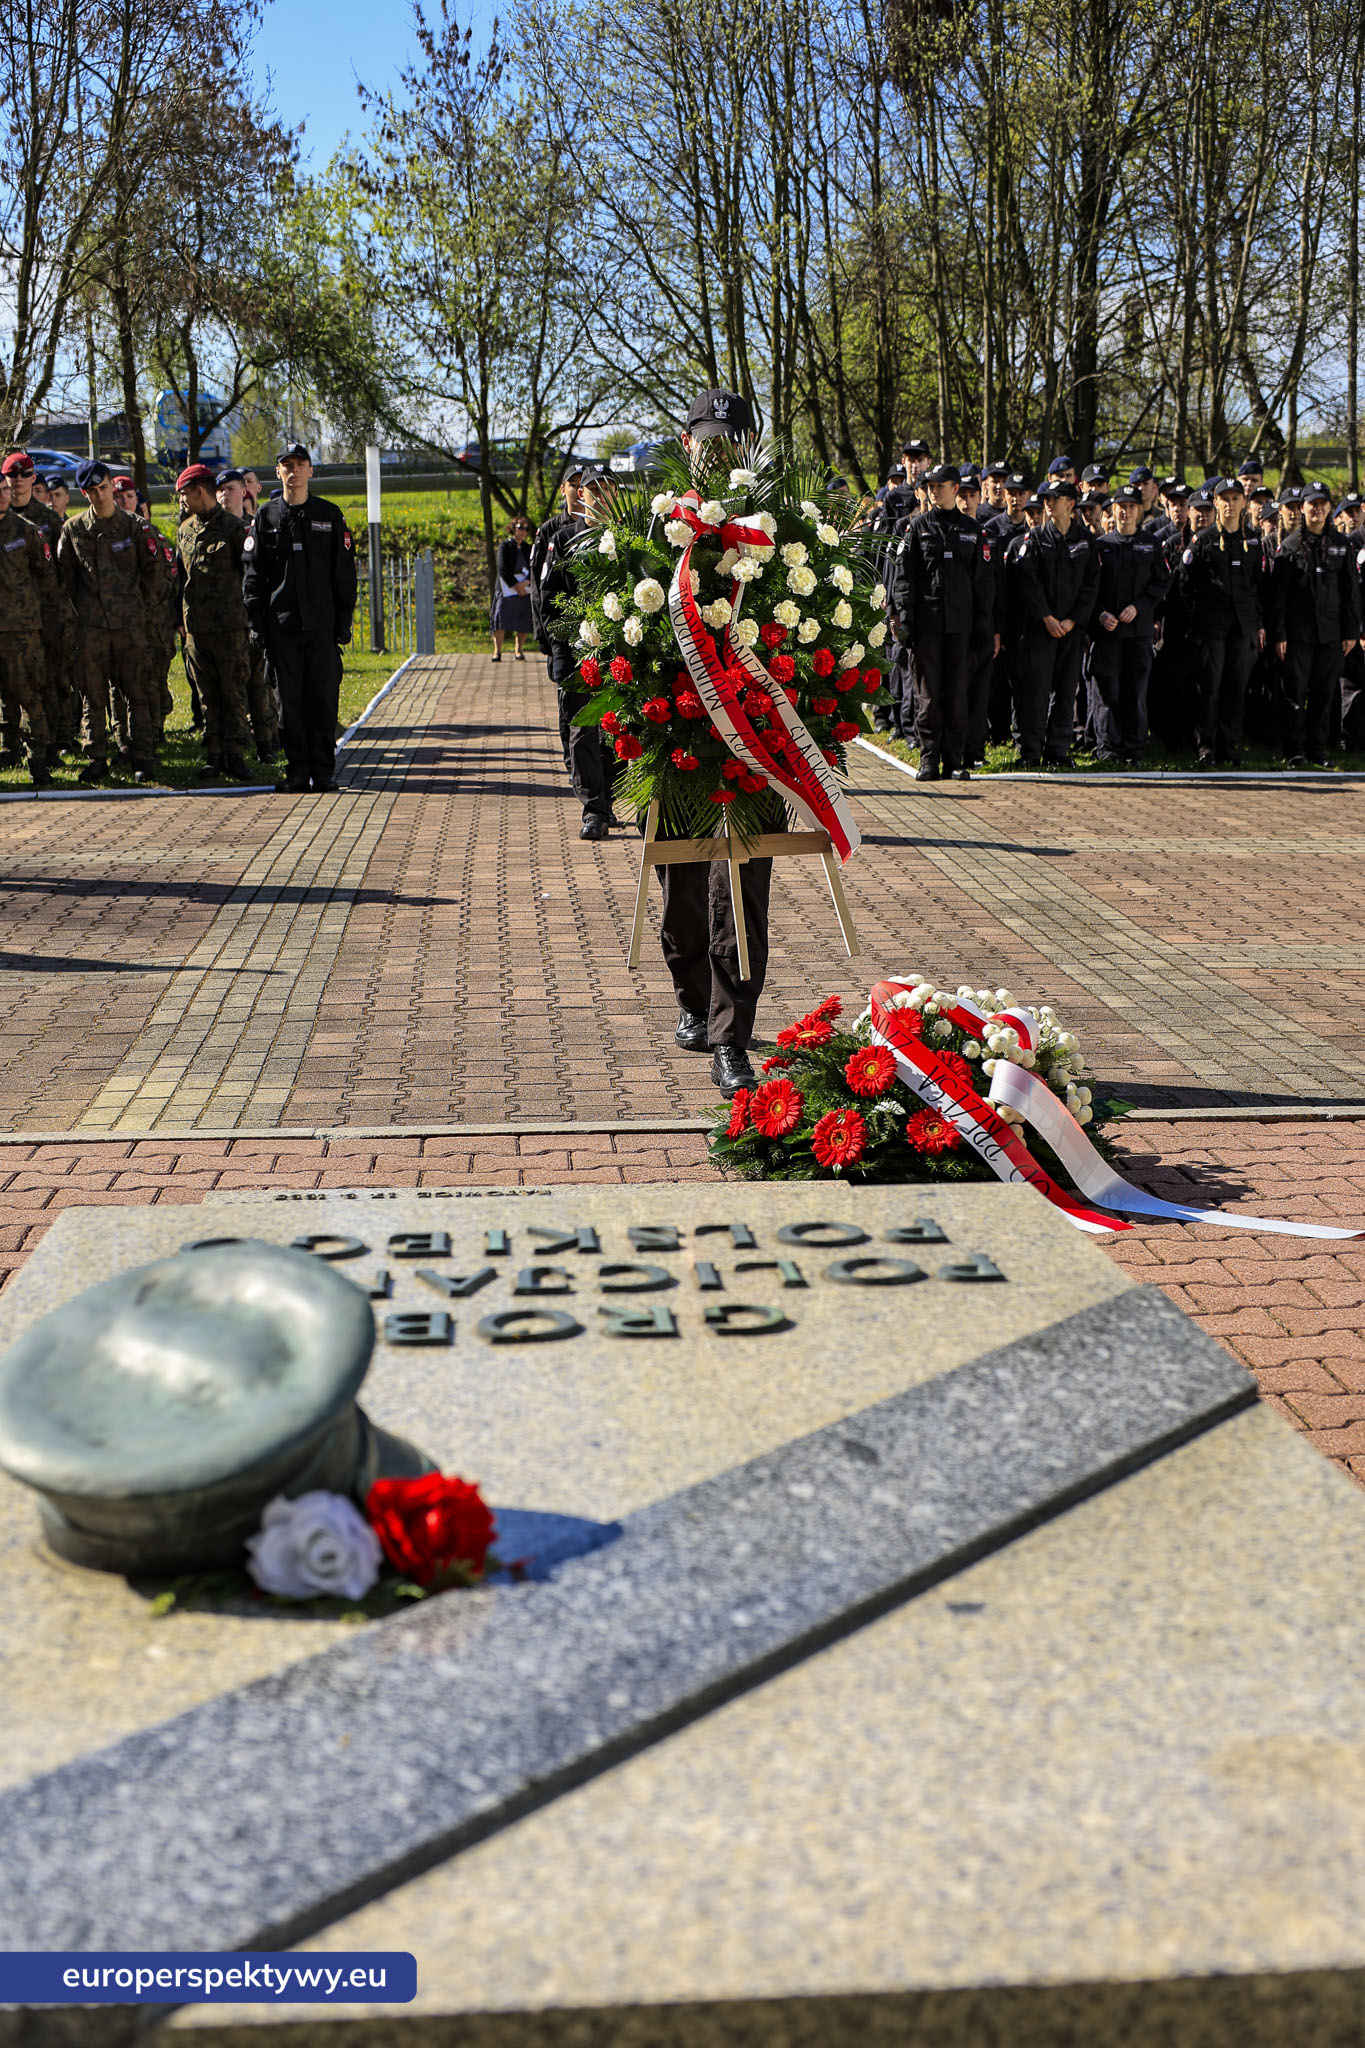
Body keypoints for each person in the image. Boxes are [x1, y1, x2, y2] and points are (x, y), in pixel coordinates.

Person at [242, 443, 356, 794]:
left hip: (321, 627)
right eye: (286, 465)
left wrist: (343, 621)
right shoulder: (266, 517)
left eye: (300, 464)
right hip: (282, 629)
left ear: (310, 471)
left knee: (323, 700)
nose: (294, 471)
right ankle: (297, 771)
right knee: (288, 705)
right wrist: (257, 625)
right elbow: (253, 576)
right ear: (278, 472)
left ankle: (323, 771)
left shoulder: (330, 515)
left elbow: (344, 574)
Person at [56, 459, 162, 782]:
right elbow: (65, 579)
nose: (100, 496)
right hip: (92, 628)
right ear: (85, 493)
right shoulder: (73, 529)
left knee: (136, 691)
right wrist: (79, 616)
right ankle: (97, 757)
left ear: (111, 487)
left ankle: (140, 754)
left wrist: (140, 608)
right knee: (93, 694)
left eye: (104, 488)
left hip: (129, 624)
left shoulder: (133, 526)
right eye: (93, 491)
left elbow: (153, 572)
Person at [889, 463, 996, 780]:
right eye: (930, 486)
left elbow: (983, 585)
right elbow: (904, 578)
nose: (934, 491)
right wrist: (905, 621)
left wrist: (983, 629)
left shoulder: (972, 530)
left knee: (957, 696)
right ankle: (929, 759)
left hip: (961, 628)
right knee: (928, 697)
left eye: (940, 486)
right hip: (927, 628)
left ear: (954, 489)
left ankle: (954, 760)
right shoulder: (918, 528)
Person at [531, 458, 618, 840]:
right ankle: (594, 810)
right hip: (578, 653)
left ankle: (609, 799)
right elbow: (548, 599)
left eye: (606, 490)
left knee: (616, 731)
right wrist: (560, 653)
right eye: (593, 490)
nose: (600, 497)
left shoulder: (627, 535)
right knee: (583, 732)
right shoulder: (563, 539)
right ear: (581, 495)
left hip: (620, 654)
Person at [1267, 480, 1360, 766]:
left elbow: (1350, 591)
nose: (1317, 508)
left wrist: (1350, 631)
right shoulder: (1290, 547)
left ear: (1330, 507)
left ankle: (1317, 750)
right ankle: (1294, 750)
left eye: (1322, 503)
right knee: (1295, 693)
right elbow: (1278, 597)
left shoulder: (1342, 546)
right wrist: (1279, 634)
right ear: (1303, 508)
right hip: (1298, 635)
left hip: (1331, 634)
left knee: (1323, 693)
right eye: (1312, 504)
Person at [1011, 478, 1099, 766]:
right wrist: (1047, 618)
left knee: (1065, 692)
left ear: (1071, 504)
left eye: (1056, 498)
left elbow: (1091, 585)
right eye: (1046, 498)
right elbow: (1028, 583)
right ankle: (1031, 752)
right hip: (1041, 629)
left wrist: (1073, 620)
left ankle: (1058, 752)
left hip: (1071, 632)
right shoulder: (1035, 539)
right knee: (1036, 693)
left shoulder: (1085, 540)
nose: (1048, 504)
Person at [175, 462, 255, 781]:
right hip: (197, 629)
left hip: (230, 627)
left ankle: (236, 754)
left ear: (200, 491)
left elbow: (249, 574)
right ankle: (214, 754)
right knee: (206, 695)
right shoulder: (185, 530)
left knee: (232, 692)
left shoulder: (234, 529)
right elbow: (181, 578)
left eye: (185, 494)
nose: (182, 501)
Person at [1178, 475, 1264, 765]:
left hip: (1242, 627)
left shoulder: (1252, 540)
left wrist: (1258, 623)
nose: (1229, 504)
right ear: (1216, 503)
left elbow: (1258, 585)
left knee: (1236, 687)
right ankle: (1207, 746)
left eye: (1235, 498)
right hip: (1211, 628)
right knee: (1210, 687)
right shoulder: (1203, 541)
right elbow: (1184, 584)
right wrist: (1199, 618)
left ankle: (1229, 745)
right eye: (1224, 499)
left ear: (1244, 502)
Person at [1089, 483, 1171, 763]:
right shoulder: (1101, 547)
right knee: (1107, 692)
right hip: (1108, 634)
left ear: (1139, 511)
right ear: (1113, 511)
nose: (1125, 512)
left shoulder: (1150, 544)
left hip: (1138, 633)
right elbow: (1090, 589)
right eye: (1121, 507)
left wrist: (1140, 607)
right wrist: (1100, 613)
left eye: (1131, 507)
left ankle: (1134, 749)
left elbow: (1162, 581)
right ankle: (1108, 748)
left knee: (1135, 691)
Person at [3, 450, 76, 759]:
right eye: (12, 476)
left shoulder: (47, 519)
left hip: (48, 614)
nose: (18, 481)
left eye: (24, 475)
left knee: (52, 679)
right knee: (10, 684)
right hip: (11, 619)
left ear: (34, 478)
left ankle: (59, 740)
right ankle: (12, 744)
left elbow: (62, 568)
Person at [0, 468, 56, 784]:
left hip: (21, 630)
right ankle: (8, 750)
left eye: (4, 490)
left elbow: (46, 580)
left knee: (30, 697)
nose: (3, 495)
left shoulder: (26, 532)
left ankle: (38, 760)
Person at [217, 468, 277, 760]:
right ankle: (235, 747)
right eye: (220, 490)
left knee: (258, 686)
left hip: (251, 621)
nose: (224, 495)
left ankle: (266, 744)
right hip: (222, 624)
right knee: (230, 689)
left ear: (245, 493)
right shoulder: (207, 529)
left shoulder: (258, 528)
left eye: (230, 489)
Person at [492, 516, 534, 661]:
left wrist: (525, 584)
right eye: (520, 528)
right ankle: (497, 651)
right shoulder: (505, 546)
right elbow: (502, 568)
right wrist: (515, 585)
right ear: (513, 529)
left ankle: (519, 650)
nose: (523, 532)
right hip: (506, 588)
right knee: (500, 618)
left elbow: (533, 568)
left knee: (523, 619)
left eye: (525, 529)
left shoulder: (528, 548)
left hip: (524, 588)